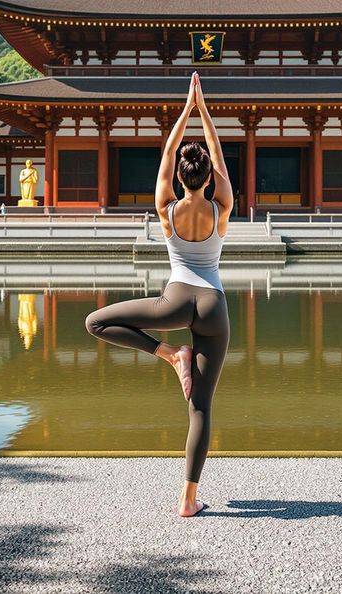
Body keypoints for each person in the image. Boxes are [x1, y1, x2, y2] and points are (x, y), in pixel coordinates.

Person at [85, 72, 232, 518]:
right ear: (208, 176)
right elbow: (218, 155)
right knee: (201, 408)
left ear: (181, 178)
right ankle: (188, 500)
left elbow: (168, 153)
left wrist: (184, 108)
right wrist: (203, 108)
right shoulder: (221, 206)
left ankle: (169, 354)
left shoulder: (166, 209)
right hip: (213, 305)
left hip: (174, 300)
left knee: (96, 322)